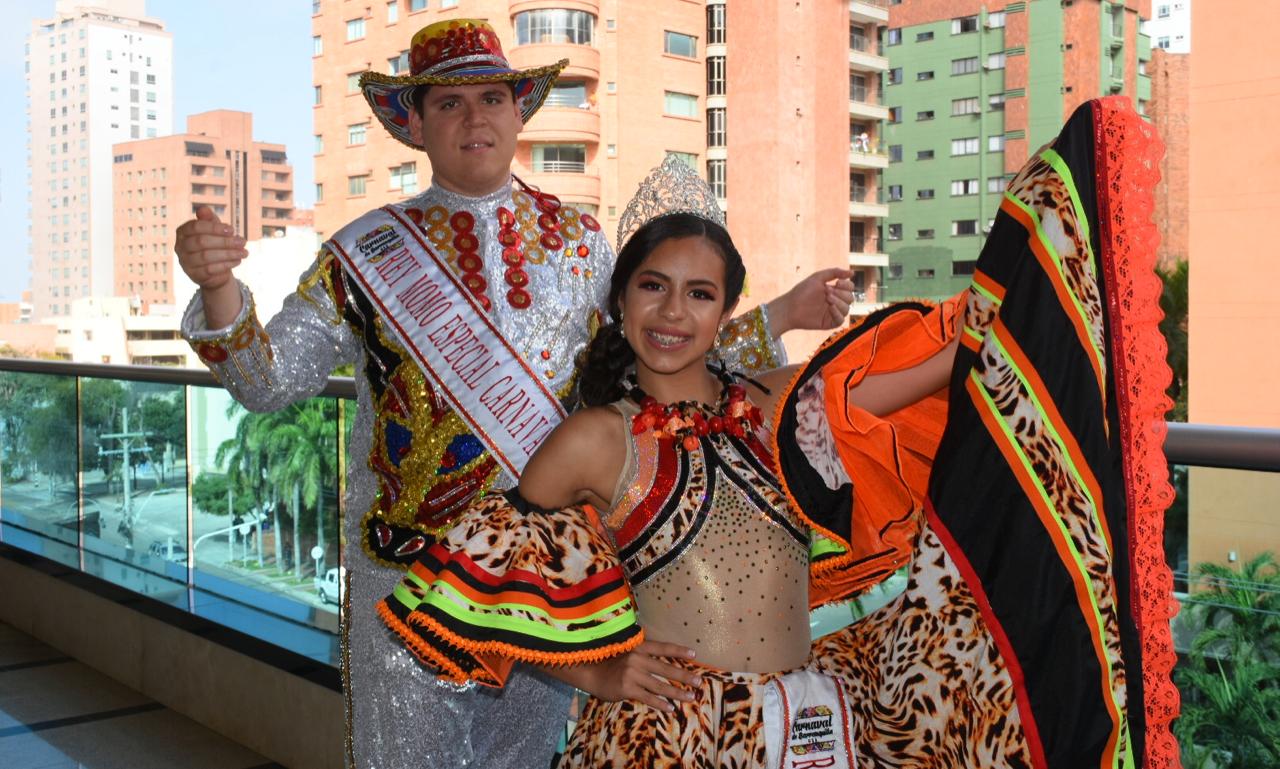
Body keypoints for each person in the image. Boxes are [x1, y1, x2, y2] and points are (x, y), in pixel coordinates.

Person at [378, 97, 1180, 768]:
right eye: (652, 287)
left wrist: (1055, 234)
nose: (672, 312)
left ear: (726, 311)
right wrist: (601, 674)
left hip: (812, 723)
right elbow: (458, 597)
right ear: (620, 302)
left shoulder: (782, 404)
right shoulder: (594, 438)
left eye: (700, 294)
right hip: (666, 738)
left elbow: (960, 353)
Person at [175, 18, 853, 769]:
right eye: (449, 103)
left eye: (492, 97)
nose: (475, 118)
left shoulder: (581, 240)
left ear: (517, 111)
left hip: (549, 588)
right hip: (406, 590)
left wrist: (780, 316)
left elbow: (667, 356)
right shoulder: (361, 255)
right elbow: (266, 381)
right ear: (416, 125)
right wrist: (217, 288)